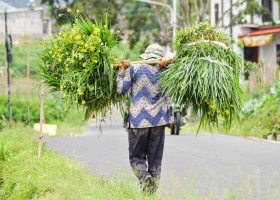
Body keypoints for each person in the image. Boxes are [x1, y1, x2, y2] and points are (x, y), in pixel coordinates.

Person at [116, 44, 171, 194]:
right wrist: (167, 68)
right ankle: (150, 194)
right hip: (158, 122)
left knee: (136, 157)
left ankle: (144, 177)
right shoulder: (168, 72)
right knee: (155, 161)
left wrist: (121, 71)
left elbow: (120, 90)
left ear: (146, 56)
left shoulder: (135, 69)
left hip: (138, 121)